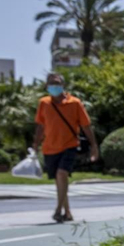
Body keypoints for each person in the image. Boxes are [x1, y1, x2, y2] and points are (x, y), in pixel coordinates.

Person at [31, 72, 98, 223]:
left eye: (57, 83)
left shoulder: (75, 103)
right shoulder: (44, 103)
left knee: (62, 174)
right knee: (59, 181)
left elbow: (86, 126)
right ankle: (67, 212)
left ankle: (58, 210)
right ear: (47, 86)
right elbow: (40, 126)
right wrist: (35, 144)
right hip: (49, 148)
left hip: (70, 145)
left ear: (63, 85)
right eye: (51, 83)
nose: (54, 86)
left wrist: (94, 145)